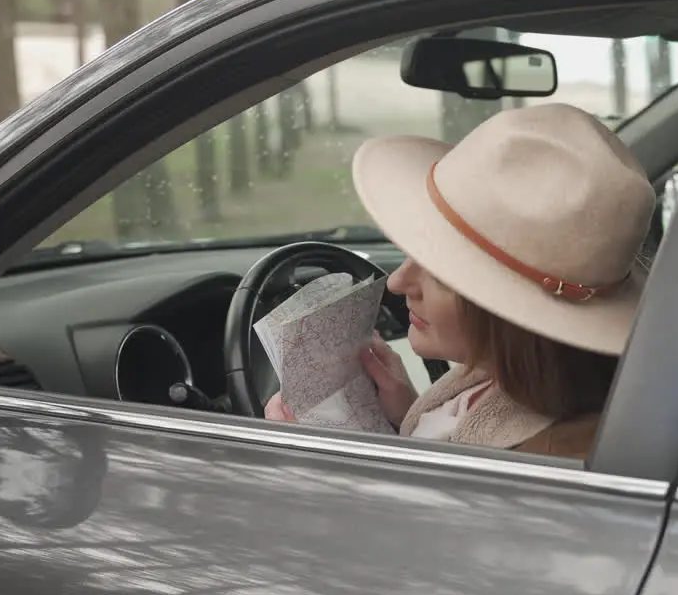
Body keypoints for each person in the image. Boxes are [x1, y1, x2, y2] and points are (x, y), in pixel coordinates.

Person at [265, 102, 656, 460]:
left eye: (442, 272)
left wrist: (312, 463)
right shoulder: (506, 382)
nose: (398, 283)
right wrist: (409, 415)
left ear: (509, 314)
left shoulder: (547, 460)